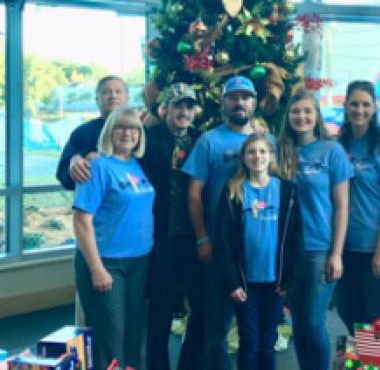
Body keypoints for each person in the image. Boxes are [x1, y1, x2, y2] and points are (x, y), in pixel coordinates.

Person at [182, 75, 259, 370]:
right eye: (233, 97)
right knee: (216, 331)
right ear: (224, 102)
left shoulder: (267, 141)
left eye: (245, 97)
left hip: (256, 252)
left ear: (254, 102)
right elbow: (194, 193)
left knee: (254, 331)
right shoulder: (209, 141)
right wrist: (202, 237)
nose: (239, 102)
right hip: (218, 250)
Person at [73, 107, 154, 370]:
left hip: (138, 262)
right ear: (110, 132)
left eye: (133, 128)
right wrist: (97, 268)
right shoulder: (97, 166)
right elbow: (82, 221)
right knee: (111, 339)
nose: (127, 133)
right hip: (107, 263)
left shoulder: (136, 165)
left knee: (133, 336)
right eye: (120, 127)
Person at [278, 88, 353, 370]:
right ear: (288, 116)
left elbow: (342, 206)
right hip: (289, 250)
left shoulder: (332, 151)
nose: (301, 116)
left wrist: (337, 253)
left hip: (320, 248)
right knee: (297, 320)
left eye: (307, 111)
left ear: (317, 115)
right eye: (296, 111)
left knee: (313, 320)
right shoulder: (280, 149)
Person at [214, 134, 301, 370]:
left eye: (262, 151)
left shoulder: (287, 191)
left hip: (276, 282)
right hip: (245, 284)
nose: (257, 156)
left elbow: (296, 239)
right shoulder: (233, 191)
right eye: (251, 152)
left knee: (267, 341)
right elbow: (223, 242)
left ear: (271, 156)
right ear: (243, 158)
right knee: (249, 340)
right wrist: (232, 282)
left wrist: (289, 279)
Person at [140, 83, 203, 370]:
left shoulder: (202, 142)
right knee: (160, 315)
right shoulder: (147, 140)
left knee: (201, 311)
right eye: (178, 105)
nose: (183, 111)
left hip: (194, 239)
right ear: (164, 108)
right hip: (161, 239)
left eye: (189, 106)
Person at [335, 81, 380, 334]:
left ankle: (375, 360)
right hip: (346, 245)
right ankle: (362, 357)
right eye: (354, 104)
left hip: (377, 245)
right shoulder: (340, 144)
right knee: (347, 308)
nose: (359, 110)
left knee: (375, 316)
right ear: (345, 106)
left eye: (365, 104)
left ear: (374, 108)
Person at [56, 75, 129, 190]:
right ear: (97, 100)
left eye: (118, 91)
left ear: (127, 99)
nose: (113, 96)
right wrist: (76, 161)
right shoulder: (83, 133)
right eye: (106, 92)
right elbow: (63, 175)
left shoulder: (141, 132)